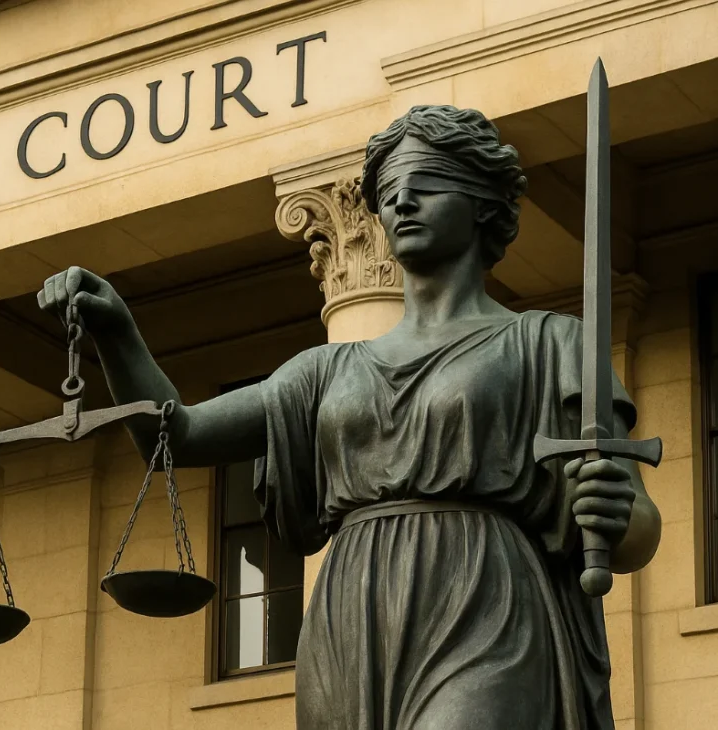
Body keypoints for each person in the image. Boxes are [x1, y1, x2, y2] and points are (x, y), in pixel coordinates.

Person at [37, 105, 661, 730]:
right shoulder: (325, 371)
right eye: (388, 193)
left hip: (485, 599)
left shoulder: (550, 344)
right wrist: (117, 334)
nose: (402, 201)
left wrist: (613, 511)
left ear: (482, 204)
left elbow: (634, 528)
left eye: (427, 183)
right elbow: (178, 436)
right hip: (350, 614)